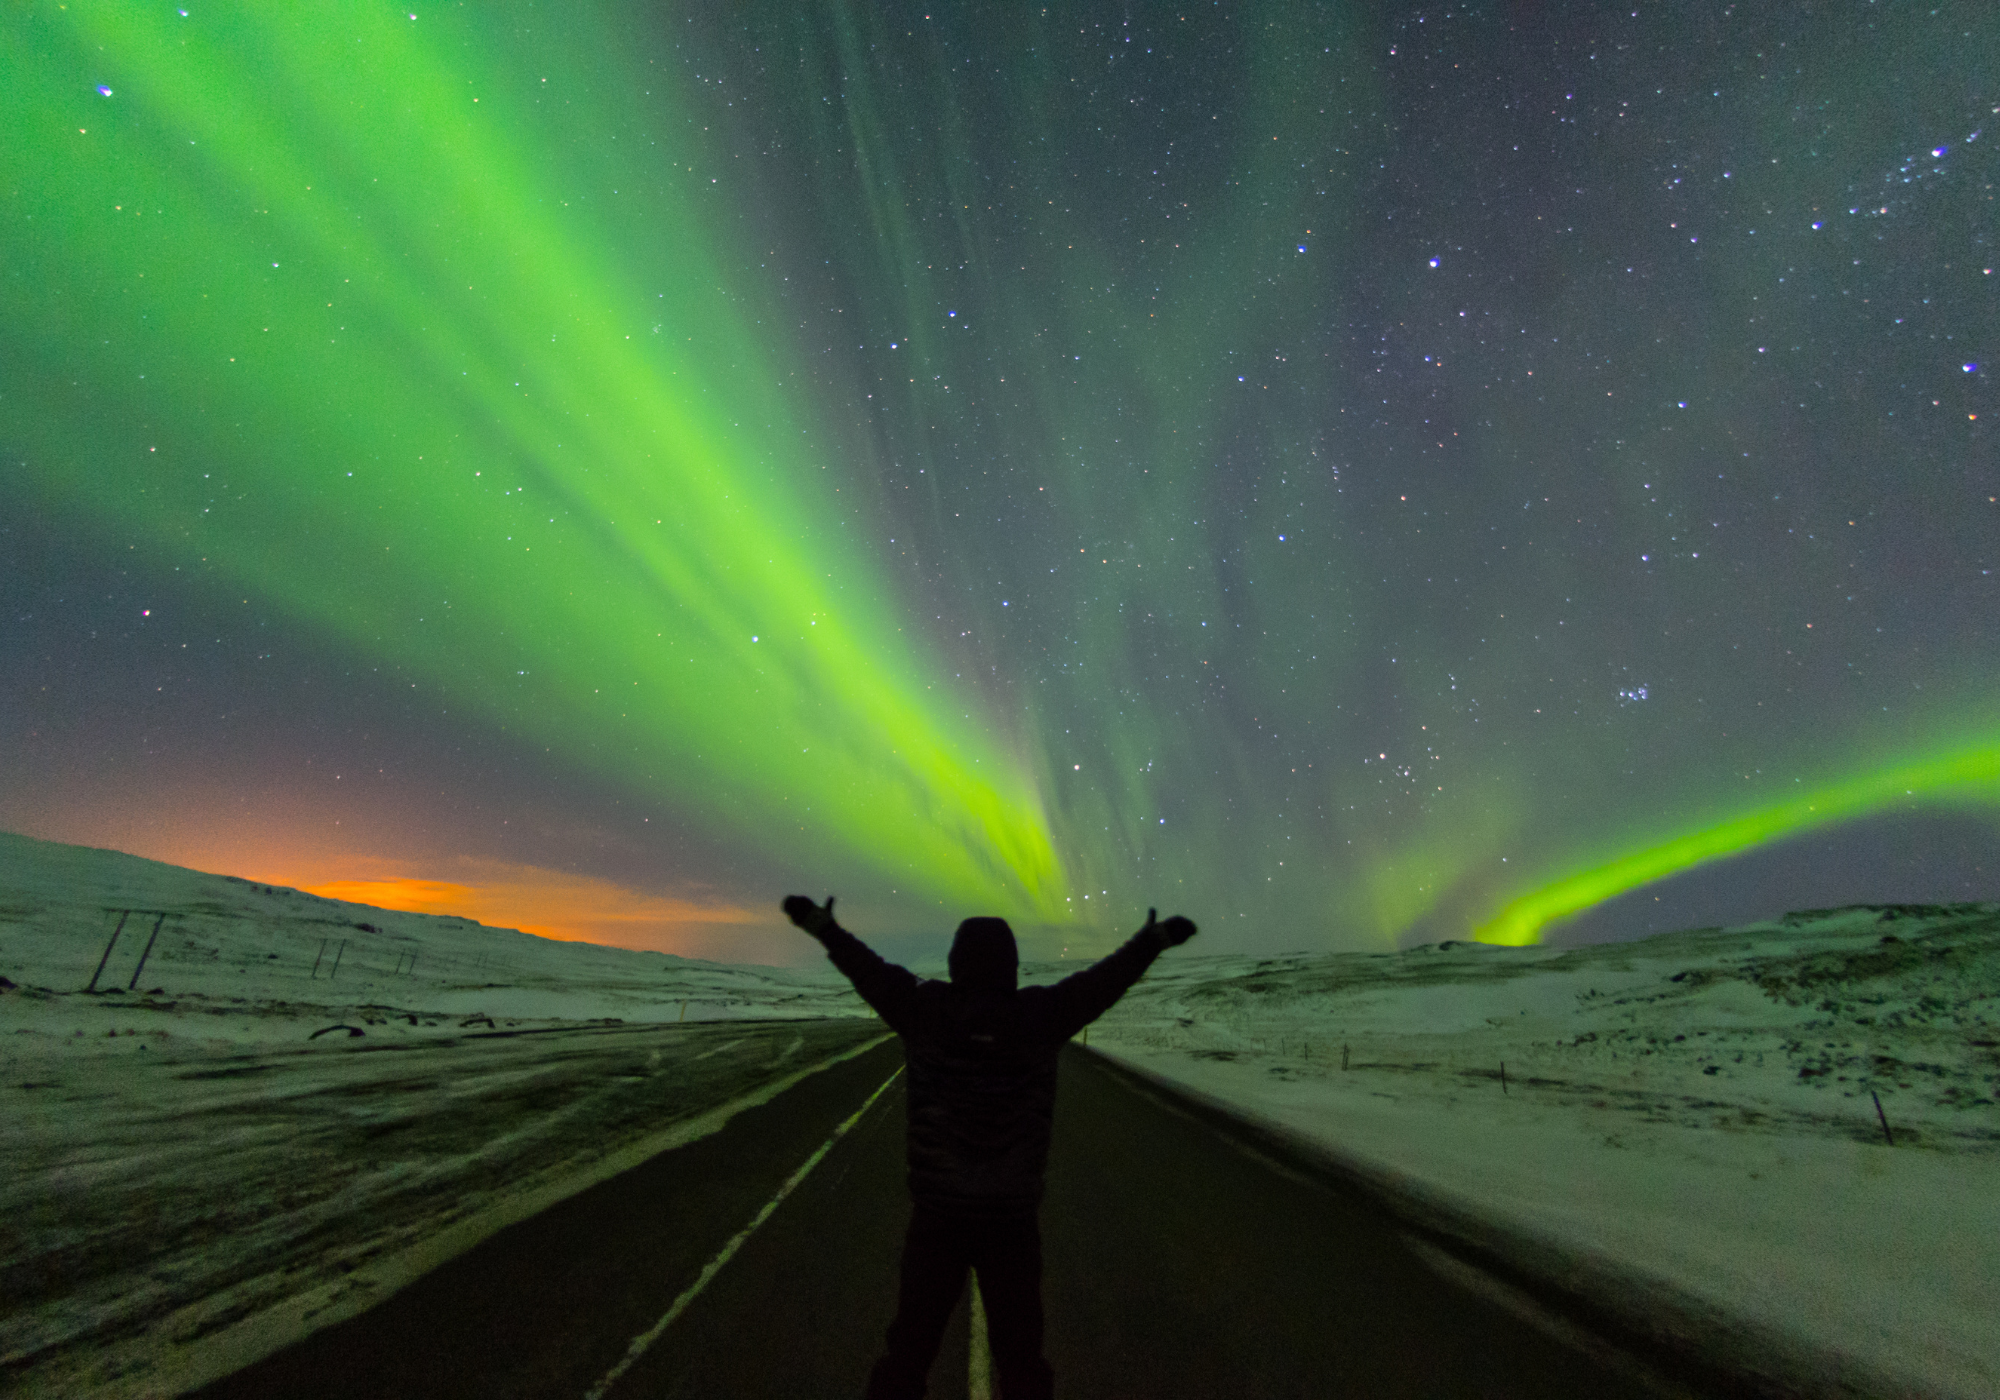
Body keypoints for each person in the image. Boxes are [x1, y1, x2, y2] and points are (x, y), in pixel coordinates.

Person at [781, 894, 1197, 1400]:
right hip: (1011, 1225)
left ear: (956, 964)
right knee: (1021, 1362)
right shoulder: (1041, 1015)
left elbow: (866, 967)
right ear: (1012, 967)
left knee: (908, 1356)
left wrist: (823, 925)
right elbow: (1104, 983)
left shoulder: (925, 1009)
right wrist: (1150, 942)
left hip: (936, 1220)